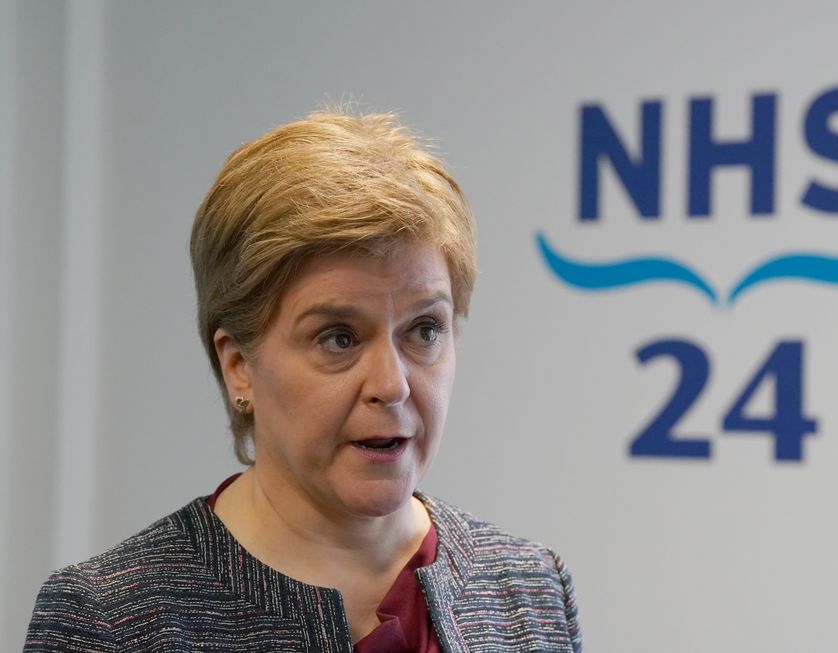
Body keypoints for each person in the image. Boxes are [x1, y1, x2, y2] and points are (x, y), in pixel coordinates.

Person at [24, 110, 583, 652]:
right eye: (338, 338)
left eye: (424, 330)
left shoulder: (528, 591)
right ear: (238, 364)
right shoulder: (110, 620)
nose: (392, 384)